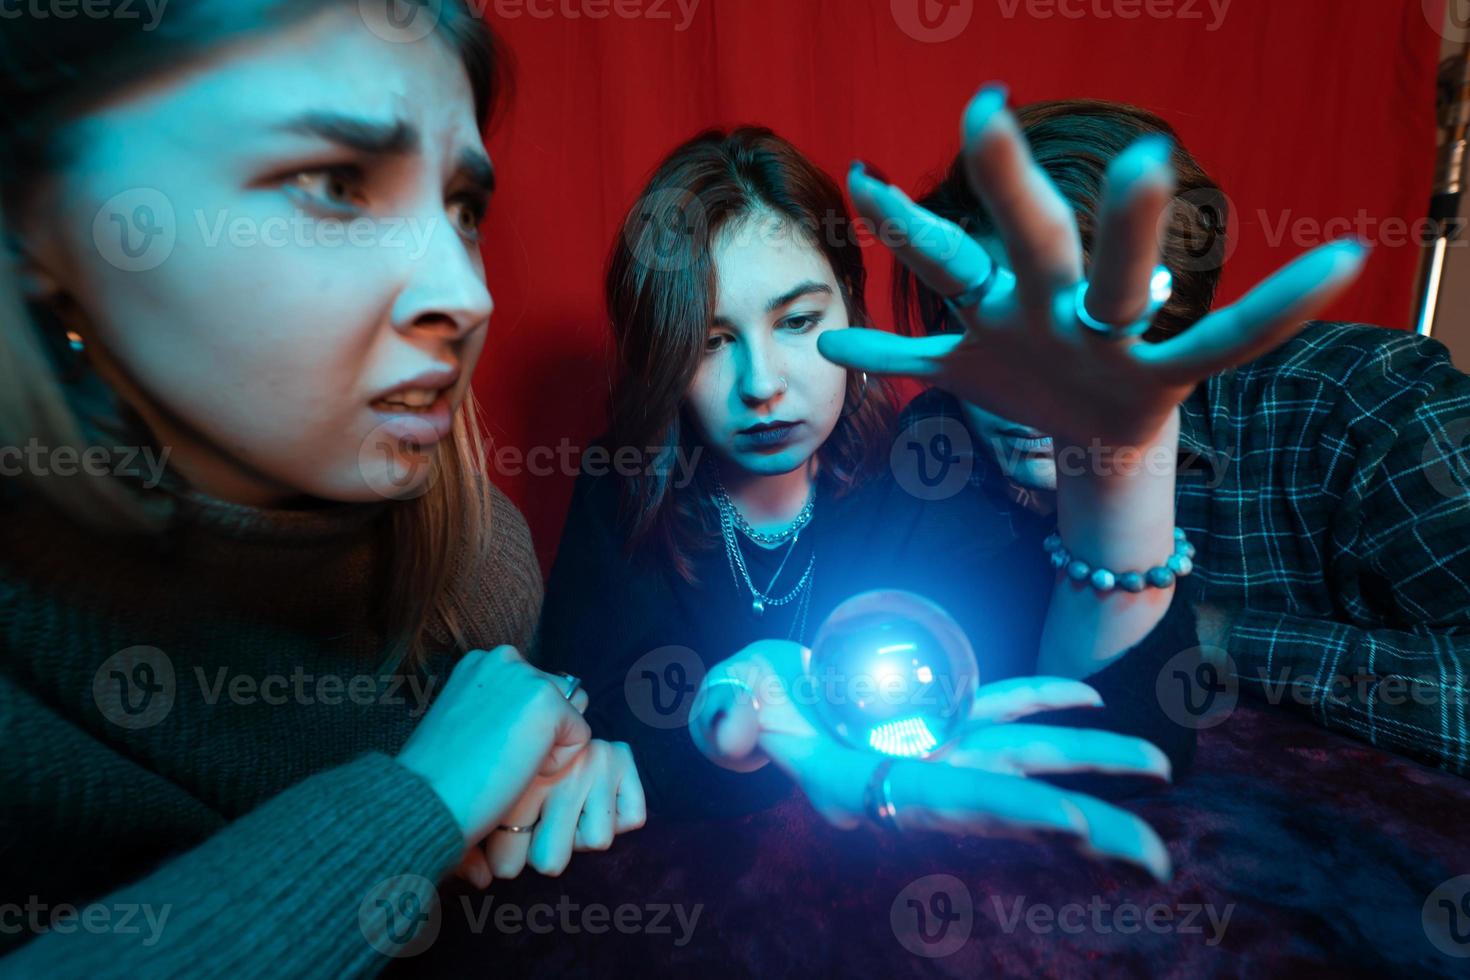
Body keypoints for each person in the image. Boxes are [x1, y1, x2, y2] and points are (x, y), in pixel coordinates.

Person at [536, 96, 1365, 880]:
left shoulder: (928, 464)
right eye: (712, 341)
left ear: (852, 308)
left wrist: (1120, 475)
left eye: (797, 321)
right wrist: (733, 734)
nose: (762, 384)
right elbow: (592, 723)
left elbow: (1085, 735)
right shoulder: (622, 484)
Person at [0, 3, 640, 972]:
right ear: (39, 222)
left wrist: (551, 788)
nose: (468, 296)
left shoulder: (482, 560)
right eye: (336, 184)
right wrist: (419, 801)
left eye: (463, 208)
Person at [894, 98, 1470, 774]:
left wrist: (1207, 635)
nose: (1029, 379)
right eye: (990, 326)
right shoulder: (938, 448)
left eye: (1073, 324)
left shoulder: (1360, 403)